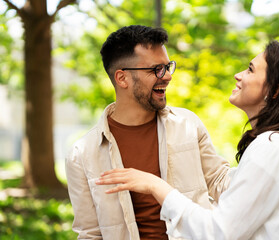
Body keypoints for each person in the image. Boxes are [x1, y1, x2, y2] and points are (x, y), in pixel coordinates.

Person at [96, 40, 279, 240]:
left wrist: (155, 186)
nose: (238, 75)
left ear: (275, 90)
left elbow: (219, 232)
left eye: (250, 70)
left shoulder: (271, 148)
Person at [65, 25, 231, 240]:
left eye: (168, 66)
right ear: (122, 78)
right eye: (156, 69)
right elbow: (90, 234)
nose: (167, 77)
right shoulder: (82, 154)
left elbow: (221, 182)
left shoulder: (188, 124)